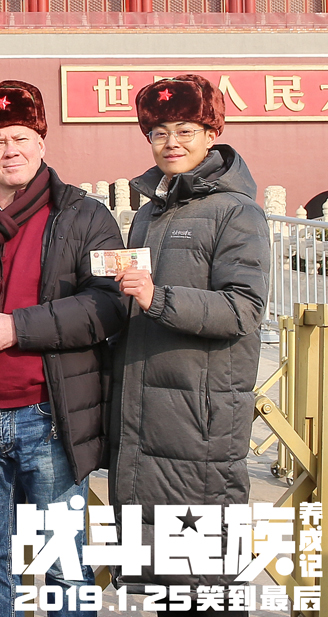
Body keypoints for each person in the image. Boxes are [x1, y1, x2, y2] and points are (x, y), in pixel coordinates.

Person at [0, 79, 126, 617]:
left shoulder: (84, 216)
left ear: (41, 142)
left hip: (51, 417)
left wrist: (16, 328)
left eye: (20, 138)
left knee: (63, 561)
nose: (9, 150)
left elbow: (108, 305)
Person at [109, 74, 270, 616]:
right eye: (158, 133)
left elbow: (243, 309)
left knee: (208, 579)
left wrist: (156, 297)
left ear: (211, 133)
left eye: (185, 130)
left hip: (200, 422)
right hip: (147, 417)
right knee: (165, 582)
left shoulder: (237, 211)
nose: (171, 143)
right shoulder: (151, 211)